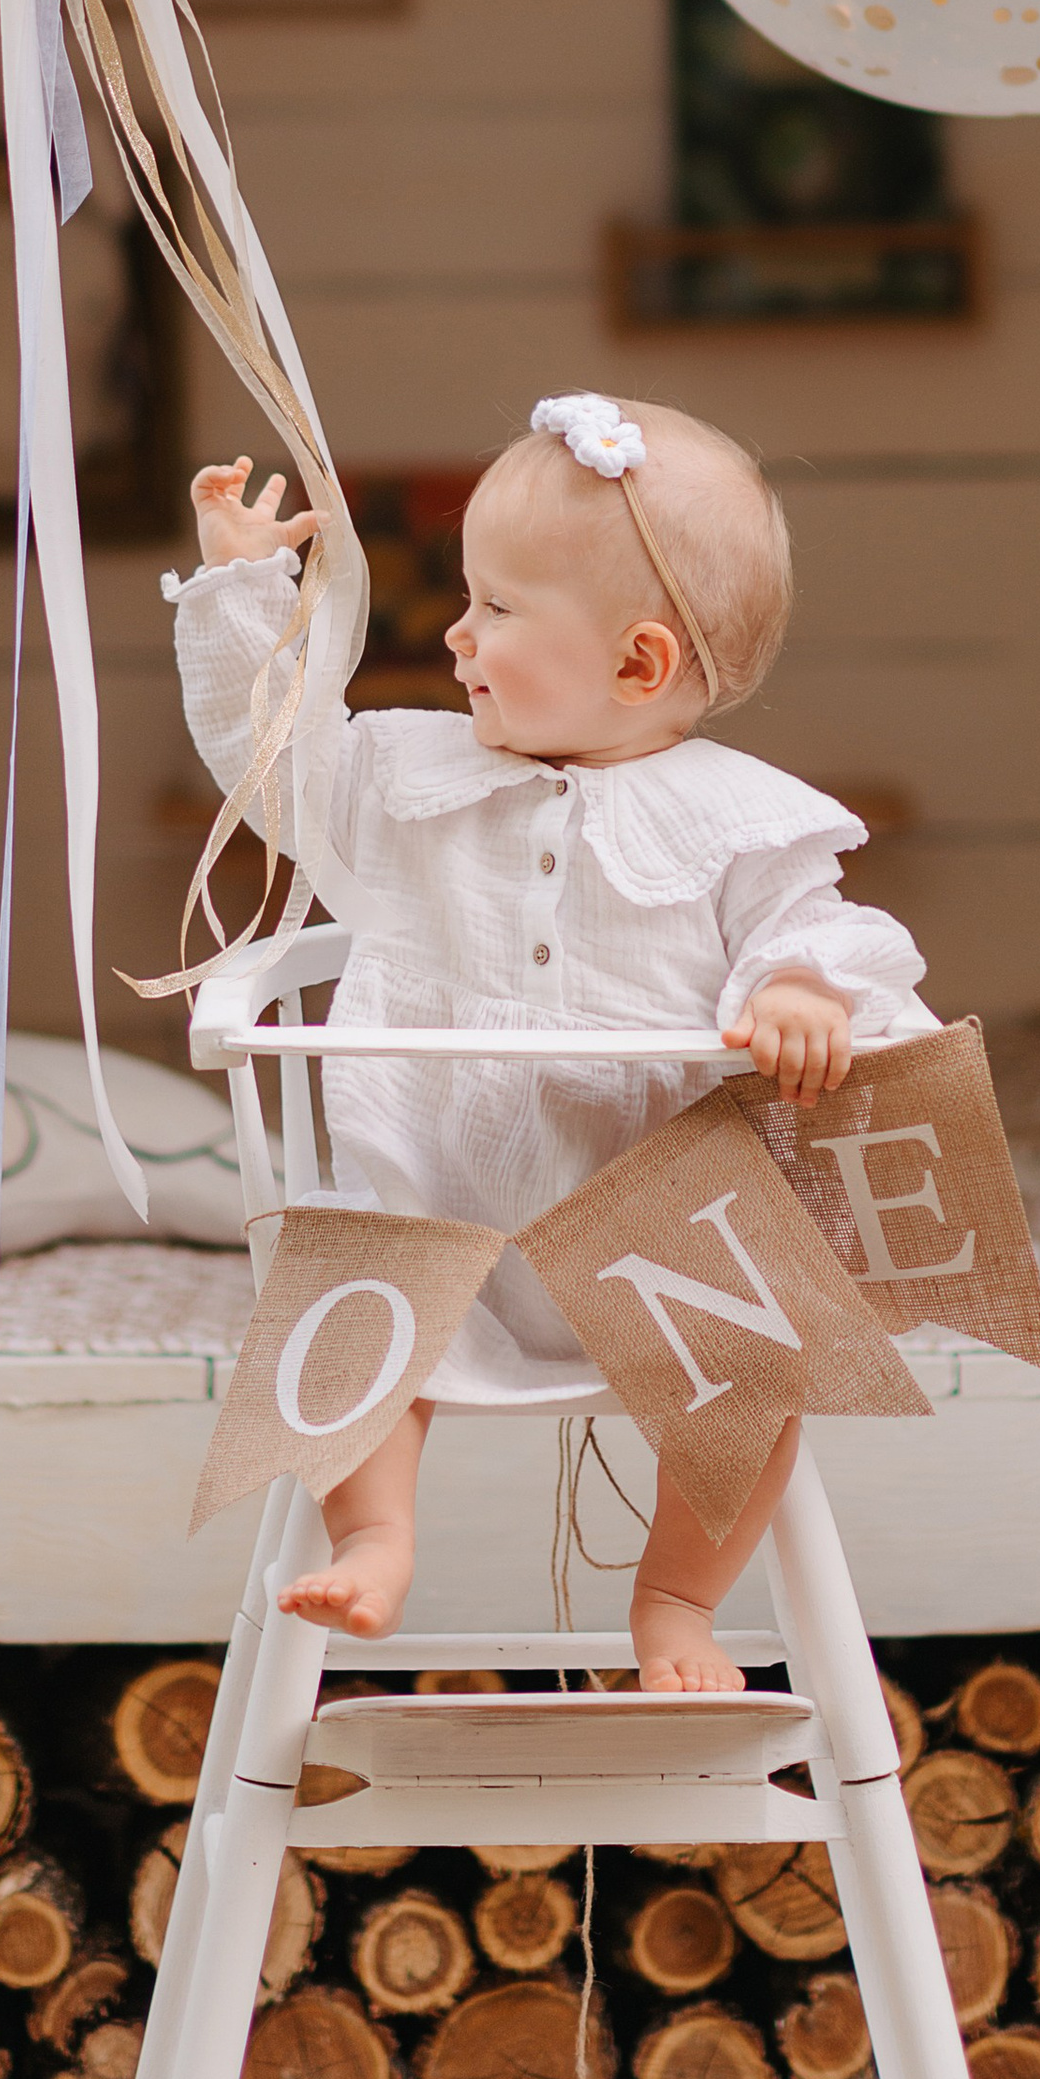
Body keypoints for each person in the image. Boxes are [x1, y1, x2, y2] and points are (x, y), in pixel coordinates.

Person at [167, 387, 934, 1689]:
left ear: (638, 663)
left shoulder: (742, 819)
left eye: (499, 610)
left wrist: (800, 988)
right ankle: (377, 1535)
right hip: (431, 1206)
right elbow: (275, 764)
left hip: (665, 1236)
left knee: (757, 1377)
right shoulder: (408, 778)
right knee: (345, 1317)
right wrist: (244, 597)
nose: (457, 635)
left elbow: (810, 927)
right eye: (470, 597)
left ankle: (678, 1602)